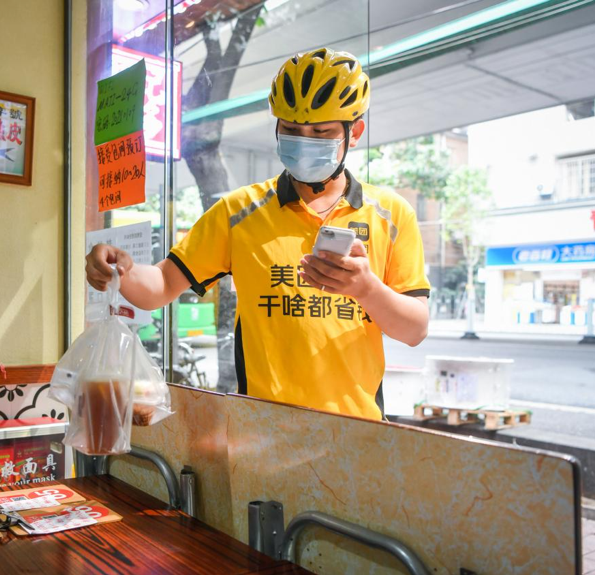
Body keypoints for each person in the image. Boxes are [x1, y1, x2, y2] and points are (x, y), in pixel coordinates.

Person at [86, 48, 431, 421]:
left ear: (355, 132)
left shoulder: (391, 215)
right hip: (262, 429)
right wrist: (122, 270)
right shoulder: (239, 211)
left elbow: (414, 330)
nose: (304, 140)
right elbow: (162, 284)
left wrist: (366, 290)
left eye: (321, 132)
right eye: (292, 130)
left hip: (357, 432)